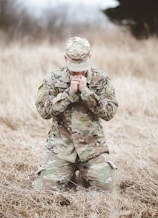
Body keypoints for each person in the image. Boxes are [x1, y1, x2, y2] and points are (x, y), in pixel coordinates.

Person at [33, 36, 118, 192]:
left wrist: (87, 93)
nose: (78, 70)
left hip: (93, 149)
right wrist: (69, 94)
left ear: (90, 57)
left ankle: (85, 175)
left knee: (108, 189)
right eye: (73, 66)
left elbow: (110, 112)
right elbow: (43, 111)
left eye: (82, 66)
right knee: (43, 191)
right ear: (65, 58)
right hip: (61, 149)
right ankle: (68, 174)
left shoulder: (102, 79)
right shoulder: (52, 79)